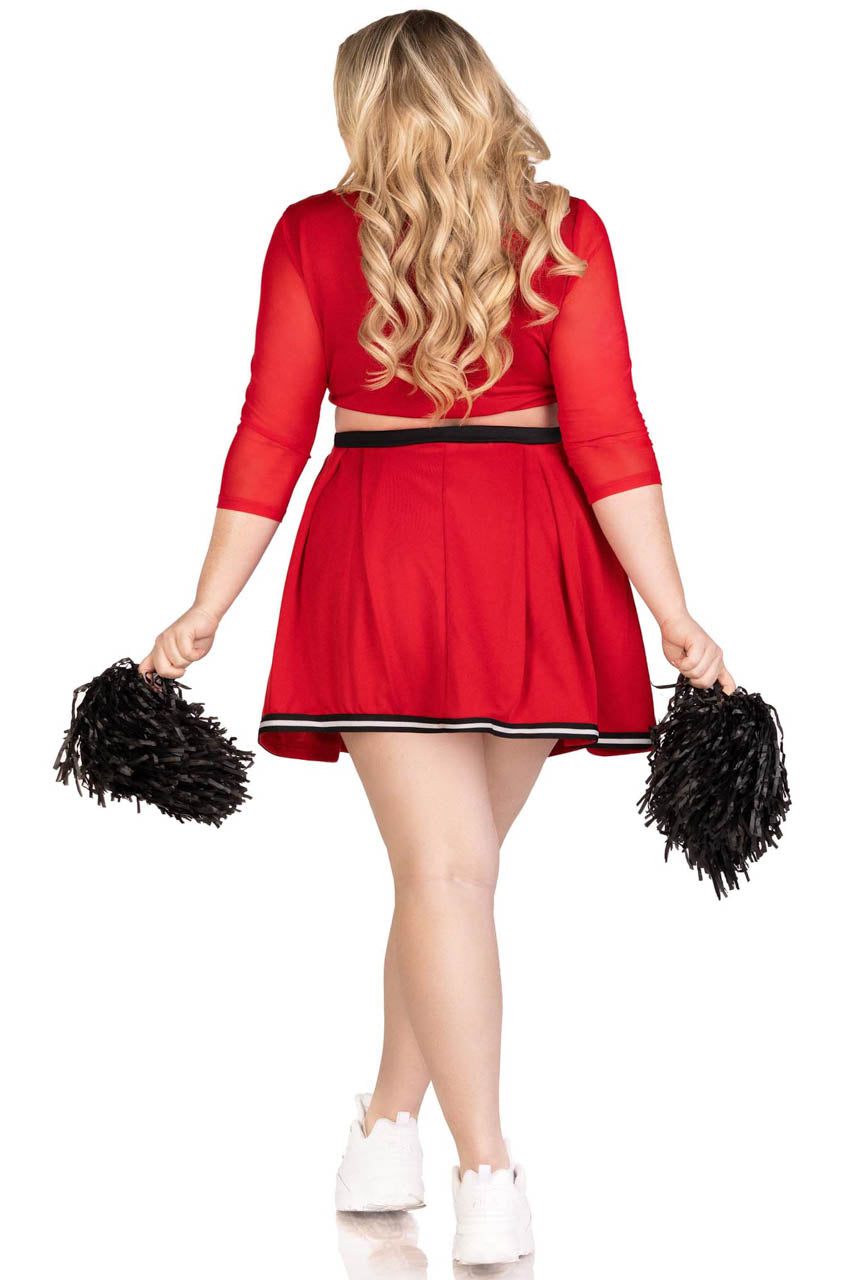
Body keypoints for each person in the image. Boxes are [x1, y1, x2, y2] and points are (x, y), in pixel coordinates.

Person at [140, 9, 734, 1267]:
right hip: (536, 557)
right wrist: (669, 606)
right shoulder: (565, 228)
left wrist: (207, 603)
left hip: (382, 552)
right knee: (451, 874)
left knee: (442, 876)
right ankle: (467, 1163)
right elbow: (608, 432)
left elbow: (270, 430)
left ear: (361, 107)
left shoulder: (313, 233)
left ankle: (414, 1144)